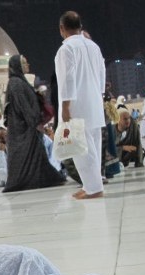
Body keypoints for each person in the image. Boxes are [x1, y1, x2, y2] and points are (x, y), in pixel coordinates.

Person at [55, 12, 106, 199]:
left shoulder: (66, 49)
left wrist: (66, 106)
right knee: (94, 145)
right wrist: (99, 95)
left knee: (81, 148)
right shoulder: (93, 46)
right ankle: (91, 185)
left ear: (62, 28)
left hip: (77, 104)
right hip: (94, 101)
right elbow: (102, 73)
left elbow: (67, 78)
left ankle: (93, 188)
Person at [3, 55, 65, 192]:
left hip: (28, 128)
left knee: (36, 155)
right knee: (25, 155)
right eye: (24, 63)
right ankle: (26, 181)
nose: (28, 65)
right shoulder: (15, 83)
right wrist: (34, 121)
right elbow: (23, 106)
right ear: (17, 66)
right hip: (23, 129)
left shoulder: (19, 81)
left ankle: (42, 178)